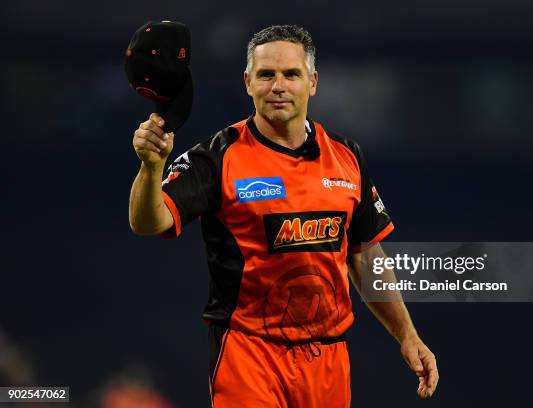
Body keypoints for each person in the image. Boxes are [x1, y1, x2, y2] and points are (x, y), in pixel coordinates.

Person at [129, 25, 438, 407]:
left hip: (327, 359)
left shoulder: (347, 156)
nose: (279, 86)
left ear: (312, 82)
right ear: (247, 82)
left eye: (291, 74)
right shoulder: (216, 157)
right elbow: (147, 222)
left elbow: (365, 254)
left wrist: (407, 335)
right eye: (266, 75)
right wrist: (150, 168)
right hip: (248, 353)